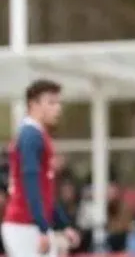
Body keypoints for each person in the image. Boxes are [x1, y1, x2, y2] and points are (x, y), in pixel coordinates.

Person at [1, 79, 80, 257]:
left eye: (58, 102)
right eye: (51, 102)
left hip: (29, 225)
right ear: (33, 104)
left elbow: (45, 192)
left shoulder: (37, 135)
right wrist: (42, 228)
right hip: (24, 225)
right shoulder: (31, 136)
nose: (57, 108)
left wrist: (62, 224)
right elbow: (31, 184)